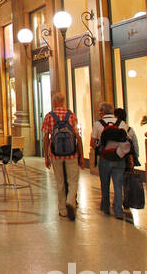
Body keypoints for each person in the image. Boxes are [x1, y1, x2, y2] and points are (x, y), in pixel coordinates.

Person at [42, 91, 86, 220]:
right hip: (71, 154)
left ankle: (62, 210)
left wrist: (46, 156)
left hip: (56, 155)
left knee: (60, 182)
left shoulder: (49, 116)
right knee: (73, 181)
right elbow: (78, 136)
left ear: (54, 102)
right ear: (64, 101)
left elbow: (46, 138)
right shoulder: (71, 115)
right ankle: (71, 201)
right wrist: (81, 156)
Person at [89, 102, 131, 220]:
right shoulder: (121, 123)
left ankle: (106, 207)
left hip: (105, 157)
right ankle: (118, 210)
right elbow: (128, 139)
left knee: (105, 183)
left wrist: (99, 148)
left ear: (102, 112)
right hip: (119, 157)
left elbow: (92, 142)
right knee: (118, 185)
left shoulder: (98, 124)